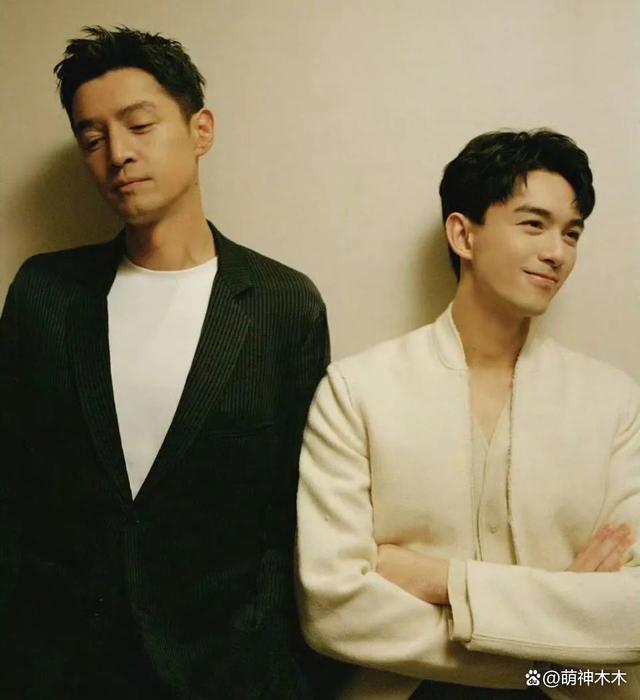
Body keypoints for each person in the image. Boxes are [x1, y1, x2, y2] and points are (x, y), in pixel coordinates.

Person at [0, 25, 337, 699]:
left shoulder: (282, 303)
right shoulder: (44, 292)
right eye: (91, 139)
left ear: (200, 130)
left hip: (227, 672)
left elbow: (298, 508)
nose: (117, 154)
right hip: (61, 669)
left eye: (139, 125)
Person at [296, 129, 640, 698]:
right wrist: (559, 630)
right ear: (463, 234)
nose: (558, 252)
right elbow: (332, 610)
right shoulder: (357, 391)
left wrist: (441, 580)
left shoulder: (614, 401)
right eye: (534, 224)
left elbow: (633, 615)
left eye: (571, 233)